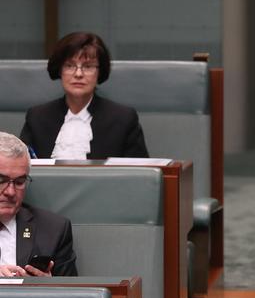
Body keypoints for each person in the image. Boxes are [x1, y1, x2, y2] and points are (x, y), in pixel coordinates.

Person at [20, 31, 149, 159]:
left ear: (99, 72)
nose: (78, 74)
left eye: (87, 67)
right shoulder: (37, 117)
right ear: (60, 70)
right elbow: (20, 170)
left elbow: (141, 175)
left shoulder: (123, 119)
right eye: (70, 66)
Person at [0, 131, 77, 276]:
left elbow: (75, 294)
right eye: (1, 180)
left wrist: (47, 288)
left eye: (19, 182)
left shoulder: (53, 229)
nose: (10, 192)